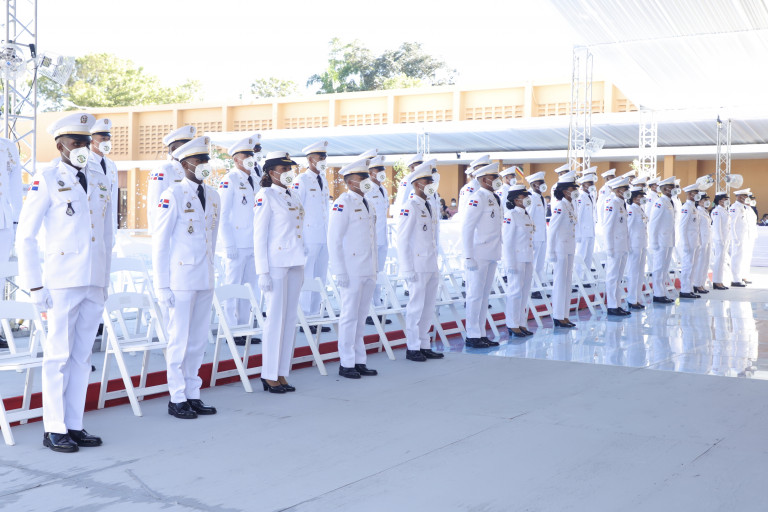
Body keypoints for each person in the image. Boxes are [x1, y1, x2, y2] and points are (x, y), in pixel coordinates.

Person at [17, 113, 112, 452]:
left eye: (87, 142)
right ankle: (54, 428)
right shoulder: (47, 179)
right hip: (62, 281)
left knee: (82, 356)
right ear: (61, 146)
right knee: (58, 356)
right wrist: (35, 285)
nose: (84, 147)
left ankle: (74, 423)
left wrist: (105, 278)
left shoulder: (100, 178)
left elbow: (107, 234)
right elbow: (26, 236)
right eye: (76, 143)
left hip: (93, 280)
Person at [153, 136, 220, 419]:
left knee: (198, 340)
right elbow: (160, 243)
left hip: (204, 275)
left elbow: (212, 237)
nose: (204, 164)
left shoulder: (214, 195)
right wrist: (162, 285)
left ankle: (193, 393)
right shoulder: (173, 194)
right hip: (181, 278)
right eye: (198, 160)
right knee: (179, 340)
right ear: (184, 164)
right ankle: (177, 397)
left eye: (206, 160)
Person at [254, 151, 305, 393]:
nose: (288, 173)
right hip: (275, 263)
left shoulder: (293, 194)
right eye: (284, 169)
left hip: (295, 261)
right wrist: (262, 271)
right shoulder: (265, 195)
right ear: (271, 172)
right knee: (275, 320)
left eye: (289, 169)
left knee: (289, 318)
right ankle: (269, 374)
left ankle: (282, 371)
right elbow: (259, 235)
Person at [328, 158, 379, 378]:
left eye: (367, 177)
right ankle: (346, 362)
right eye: (362, 178)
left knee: (361, 316)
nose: (367, 181)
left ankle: (359, 360)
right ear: (350, 182)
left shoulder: (369, 203)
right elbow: (334, 239)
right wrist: (339, 270)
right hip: (351, 269)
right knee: (349, 316)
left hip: (368, 267)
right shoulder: (343, 203)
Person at [397, 161, 444, 362]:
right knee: (416, 307)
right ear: (417, 184)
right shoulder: (410, 207)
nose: (431, 184)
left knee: (428, 307)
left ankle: (424, 344)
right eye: (427, 181)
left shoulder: (429, 205)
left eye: (431, 181)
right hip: (417, 265)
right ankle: (413, 346)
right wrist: (406, 268)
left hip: (430, 263)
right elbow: (402, 240)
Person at [217, 135, 261, 345]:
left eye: (252, 155)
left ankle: (244, 328)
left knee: (248, 288)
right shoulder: (230, 180)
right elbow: (223, 215)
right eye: (246, 156)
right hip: (236, 244)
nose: (250, 159)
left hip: (253, 242)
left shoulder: (256, 180)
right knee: (232, 287)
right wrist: (229, 244)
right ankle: (231, 330)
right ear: (236, 159)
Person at [462, 162, 503, 348]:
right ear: (484, 179)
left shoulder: (494, 197)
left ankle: (480, 332)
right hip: (479, 253)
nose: (497, 180)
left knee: (484, 296)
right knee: (475, 295)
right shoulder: (477, 198)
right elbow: (467, 228)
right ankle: (472, 335)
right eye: (494, 177)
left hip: (492, 252)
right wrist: (468, 256)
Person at [295, 140, 330, 330]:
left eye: (325, 157)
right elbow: (297, 211)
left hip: (323, 236)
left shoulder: (323, 179)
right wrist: (299, 239)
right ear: (310, 160)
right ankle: (305, 318)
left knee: (320, 277)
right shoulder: (301, 180)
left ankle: (316, 316)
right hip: (308, 236)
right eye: (320, 157)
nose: (323, 160)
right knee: (308, 277)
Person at [147, 126, 197, 233]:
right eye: (186, 147)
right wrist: (159, 235)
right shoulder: (163, 171)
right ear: (174, 149)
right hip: (171, 233)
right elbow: (155, 206)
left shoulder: (193, 171)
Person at [546, 171, 579, 327]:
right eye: (573, 188)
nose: (575, 191)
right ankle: (558, 316)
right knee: (560, 282)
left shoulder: (570, 205)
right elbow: (552, 229)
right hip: (560, 249)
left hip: (569, 247)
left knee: (567, 282)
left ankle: (565, 315)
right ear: (565, 191)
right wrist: (551, 251)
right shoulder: (560, 206)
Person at [502, 185, 535, 337]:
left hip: (527, 257)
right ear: (516, 199)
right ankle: (512, 324)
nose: (527, 199)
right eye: (524, 196)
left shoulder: (527, 215)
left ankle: (521, 322)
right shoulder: (511, 215)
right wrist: (509, 263)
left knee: (524, 292)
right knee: (515, 292)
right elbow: (507, 241)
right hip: (516, 259)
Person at [364, 155, 392, 325]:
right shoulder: (367, 189)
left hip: (382, 238)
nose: (382, 172)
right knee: (370, 275)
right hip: (371, 239)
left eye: (383, 169)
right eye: (378, 169)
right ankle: (368, 311)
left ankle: (378, 307)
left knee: (379, 274)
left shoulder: (383, 190)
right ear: (370, 172)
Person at [601, 176, 632, 316]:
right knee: (612, 276)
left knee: (619, 277)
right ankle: (612, 305)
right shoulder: (612, 203)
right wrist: (609, 248)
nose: (626, 191)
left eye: (626, 189)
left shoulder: (621, 203)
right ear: (617, 190)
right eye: (624, 189)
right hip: (614, 246)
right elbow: (608, 227)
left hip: (622, 245)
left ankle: (618, 304)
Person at [649, 176, 678, 303]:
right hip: (660, 240)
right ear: (664, 189)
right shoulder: (660, 203)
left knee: (665, 268)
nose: (673, 189)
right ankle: (658, 293)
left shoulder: (670, 202)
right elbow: (653, 224)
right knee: (658, 267)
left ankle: (662, 292)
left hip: (668, 239)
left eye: (673, 187)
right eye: (671, 187)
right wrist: (653, 242)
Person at [87, 118, 119, 231]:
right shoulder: (85, 163)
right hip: (90, 223)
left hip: (107, 223)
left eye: (108, 139)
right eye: (102, 139)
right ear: (92, 141)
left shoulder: (111, 165)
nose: (106, 142)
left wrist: (113, 227)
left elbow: (114, 197)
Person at [625, 186, 648, 309]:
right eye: (640, 196)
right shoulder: (631, 210)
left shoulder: (640, 209)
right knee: (633, 273)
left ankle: (637, 298)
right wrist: (628, 245)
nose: (642, 198)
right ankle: (632, 299)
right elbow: (628, 228)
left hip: (642, 243)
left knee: (640, 272)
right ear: (634, 198)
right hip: (634, 245)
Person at [524, 171, 548, 292]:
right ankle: (532, 289)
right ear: (533, 185)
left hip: (542, 235)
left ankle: (538, 287)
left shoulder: (541, 198)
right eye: (540, 183)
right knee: (533, 264)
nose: (543, 185)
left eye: (543, 182)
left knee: (540, 264)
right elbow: (528, 218)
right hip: (534, 237)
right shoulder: (530, 198)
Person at [0, 137, 23, 262]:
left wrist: (17, 222)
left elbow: (16, 188)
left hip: (3, 221)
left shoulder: (8, 146)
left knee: (1, 270)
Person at [677, 184, 702, 299]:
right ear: (689, 194)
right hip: (688, 242)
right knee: (687, 266)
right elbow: (682, 227)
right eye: (695, 193)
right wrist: (685, 243)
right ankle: (685, 290)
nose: (697, 195)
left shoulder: (694, 207)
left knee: (693, 266)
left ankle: (690, 288)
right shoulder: (686, 207)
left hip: (694, 241)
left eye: (697, 193)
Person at [574, 172, 597, 278]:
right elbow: (578, 217)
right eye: (589, 183)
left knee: (588, 256)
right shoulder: (580, 197)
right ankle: (578, 278)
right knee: (581, 255)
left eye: (592, 183)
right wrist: (578, 233)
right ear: (583, 185)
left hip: (590, 231)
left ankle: (586, 278)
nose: (592, 185)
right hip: (583, 232)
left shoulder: (591, 196)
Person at [729, 188, 752, 287]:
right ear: (738, 196)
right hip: (738, 237)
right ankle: (735, 279)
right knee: (736, 258)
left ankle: (741, 276)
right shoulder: (735, 207)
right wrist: (734, 238)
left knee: (742, 258)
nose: (746, 197)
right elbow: (731, 224)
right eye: (744, 195)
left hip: (743, 237)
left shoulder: (744, 207)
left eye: (747, 196)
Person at [693, 191, 712, 294]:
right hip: (701, 241)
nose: (707, 201)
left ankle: (702, 283)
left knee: (705, 263)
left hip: (707, 240)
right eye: (704, 200)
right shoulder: (698, 212)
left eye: (707, 200)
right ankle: (697, 284)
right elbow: (697, 229)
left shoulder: (705, 211)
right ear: (699, 201)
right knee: (700, 263)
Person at [711, 193, 731, 290]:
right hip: (720, 240)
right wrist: (719, 240)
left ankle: (720, 281)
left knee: (722, 261)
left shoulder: (724, 210)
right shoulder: (717, 211)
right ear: (719, 201)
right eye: (725, 199)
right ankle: (716, 281)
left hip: (725, 239)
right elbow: (716, 227)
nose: (727, 201)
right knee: (718, 261)